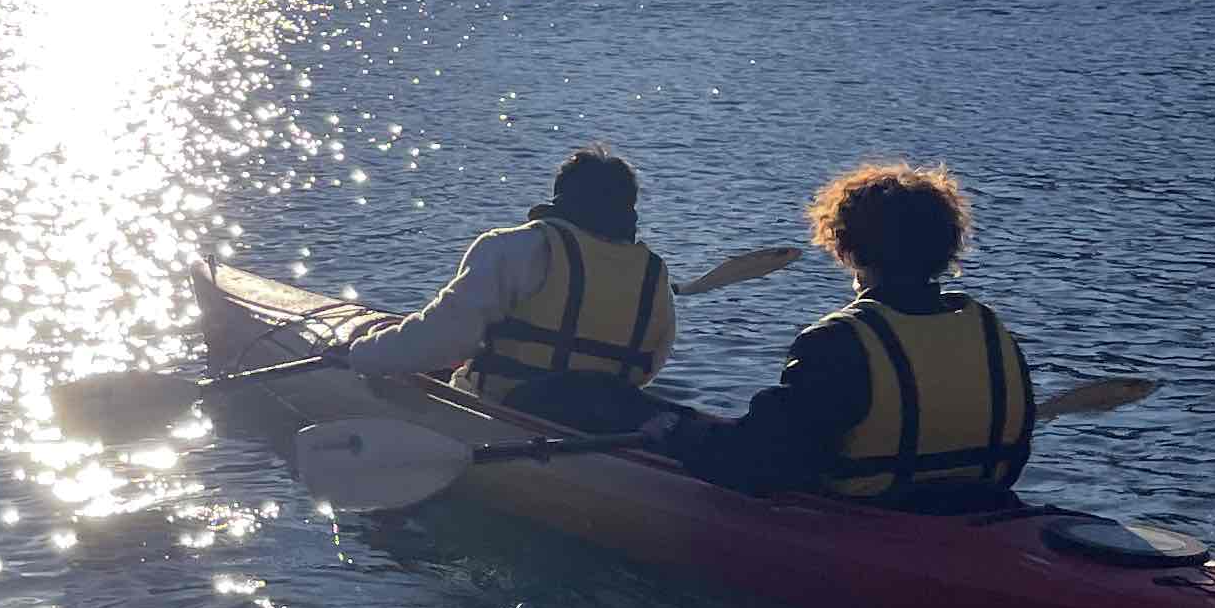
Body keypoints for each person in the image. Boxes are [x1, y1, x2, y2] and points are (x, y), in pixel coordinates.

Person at [660, 162, 1033, 511]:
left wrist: (676, 436)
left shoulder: (839, 343)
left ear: (846, 248)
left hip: (876, 519)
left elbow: (756, 463)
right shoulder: (991, 334)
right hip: (984, 510)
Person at [326, 146, 683, 430]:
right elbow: (649, 367)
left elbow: (442, 339)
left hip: (504, 417)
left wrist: (359, 355)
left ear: (562, 199)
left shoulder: (517, 248)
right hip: (608, 425)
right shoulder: (655, 275)